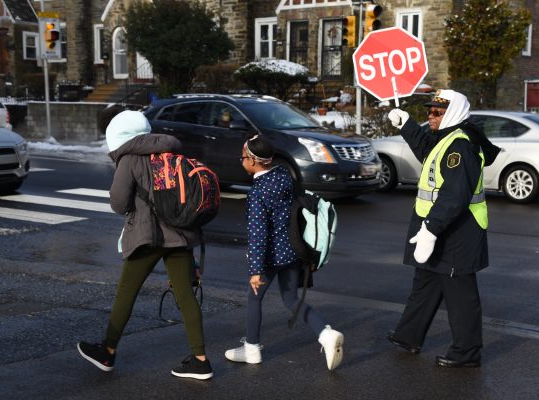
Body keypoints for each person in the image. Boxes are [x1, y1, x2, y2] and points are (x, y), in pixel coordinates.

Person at [77, 110, 213, 380]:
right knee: (185, 295)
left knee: (126, 293)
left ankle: (108, 351)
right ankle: (200, 360)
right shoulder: (172, 152)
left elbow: (118, 203)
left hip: (147, 235)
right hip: (180, 234)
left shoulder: (130, 158)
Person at [385, 90, 500, 368]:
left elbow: (454, 195)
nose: (431, 116)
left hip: (457, 232)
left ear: (453, 113)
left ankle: (467, 352)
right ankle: (408, 336)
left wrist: (430, 230)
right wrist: (407, 125)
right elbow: (427, 151)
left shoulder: (461, 146)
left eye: (437, 112)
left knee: (460, 295)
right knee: (425, 284)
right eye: (430, 111)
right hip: (437, 228)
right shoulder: (447, 139)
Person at [224, 135, 344, 371]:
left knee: (254, 297)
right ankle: (325, 333)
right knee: (291, 299)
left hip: (270, 256)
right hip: (292, 250)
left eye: (243, 157)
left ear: (254, 161)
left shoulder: (258, 193)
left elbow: (258, 233)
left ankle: (252, 349)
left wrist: (256, 270)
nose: (241, 161)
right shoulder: (282, 175)